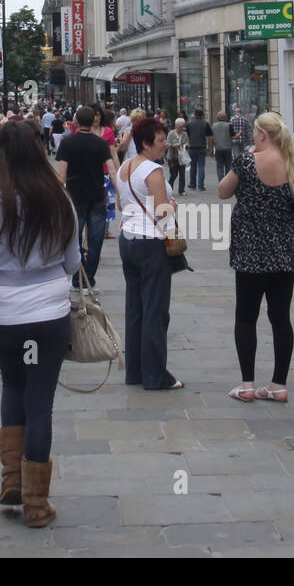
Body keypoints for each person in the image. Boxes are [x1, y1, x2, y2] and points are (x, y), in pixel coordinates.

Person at [0, 120, 79, 527]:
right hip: (47, 312)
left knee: (13, 385)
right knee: (40, 401)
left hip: (4, 313)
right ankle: (36, 502)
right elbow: (74, 262)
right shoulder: (57, 194)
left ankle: (12, 478)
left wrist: (0, 263)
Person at [218, 112, 294, 402]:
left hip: (249, 252)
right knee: (281, 318)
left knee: (246, 317)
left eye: (256, 131)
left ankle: (247, 385)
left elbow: (222, 191)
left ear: (261, 135)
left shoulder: (245, 161)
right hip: (285, 253)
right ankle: (279, 384)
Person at [115, 117, 181, 391]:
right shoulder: (153, 170)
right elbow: (162, 212)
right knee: (155, 311)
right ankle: (155, 375)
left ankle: (135, 371)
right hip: (150, 243)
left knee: (135, 310)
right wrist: (173, 209)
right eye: (161, 140)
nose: (165, 144)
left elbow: (121, 203)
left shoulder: (125, 168)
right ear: (145, 143)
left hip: (127, 238)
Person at [55, 106, 113, 284]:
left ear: (76, 122)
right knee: (96, 241)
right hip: (97, 196)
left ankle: (78, 278)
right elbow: (111, 169)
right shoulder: (101, 144)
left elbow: (62, 175)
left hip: (75, 198)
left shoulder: (67, 143)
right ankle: (89, 278)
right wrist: (120, 193)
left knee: (75, 240)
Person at [185, 109, 211, 191]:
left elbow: (187, 135)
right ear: (202, 115)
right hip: (202, 147)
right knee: (201, 166)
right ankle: (200, 185)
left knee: (193, 166)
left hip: (192, 147)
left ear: (195, 114)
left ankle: (192, 184)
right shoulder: (205, 123)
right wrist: (209, 148)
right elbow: (210, 136)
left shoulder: (189, 123)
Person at [165, 117, 188, 195]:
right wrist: (173, 145)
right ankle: (169, 189)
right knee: (174, 174)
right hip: (172, 157)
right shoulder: (171, 133)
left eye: (182, 126)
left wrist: (182, 145)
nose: (181, 128)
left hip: (182, 157)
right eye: (180, 126)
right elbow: (167, 143)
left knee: (182, 174)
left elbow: (187, 143)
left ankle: (181, 190)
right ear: (176, 125)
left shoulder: (184, 134)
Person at [211, 111, 233, 182]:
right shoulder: (229, 125)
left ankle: (221, 180)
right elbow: (233, 136)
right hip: (228, 148)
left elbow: (211, 138)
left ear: (217, 118)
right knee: (228, 165)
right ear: (225, 117)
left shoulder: (213, 126)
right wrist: (239, 133)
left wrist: (211, 148)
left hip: (218, 148)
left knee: (219, 166)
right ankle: (227, 180)